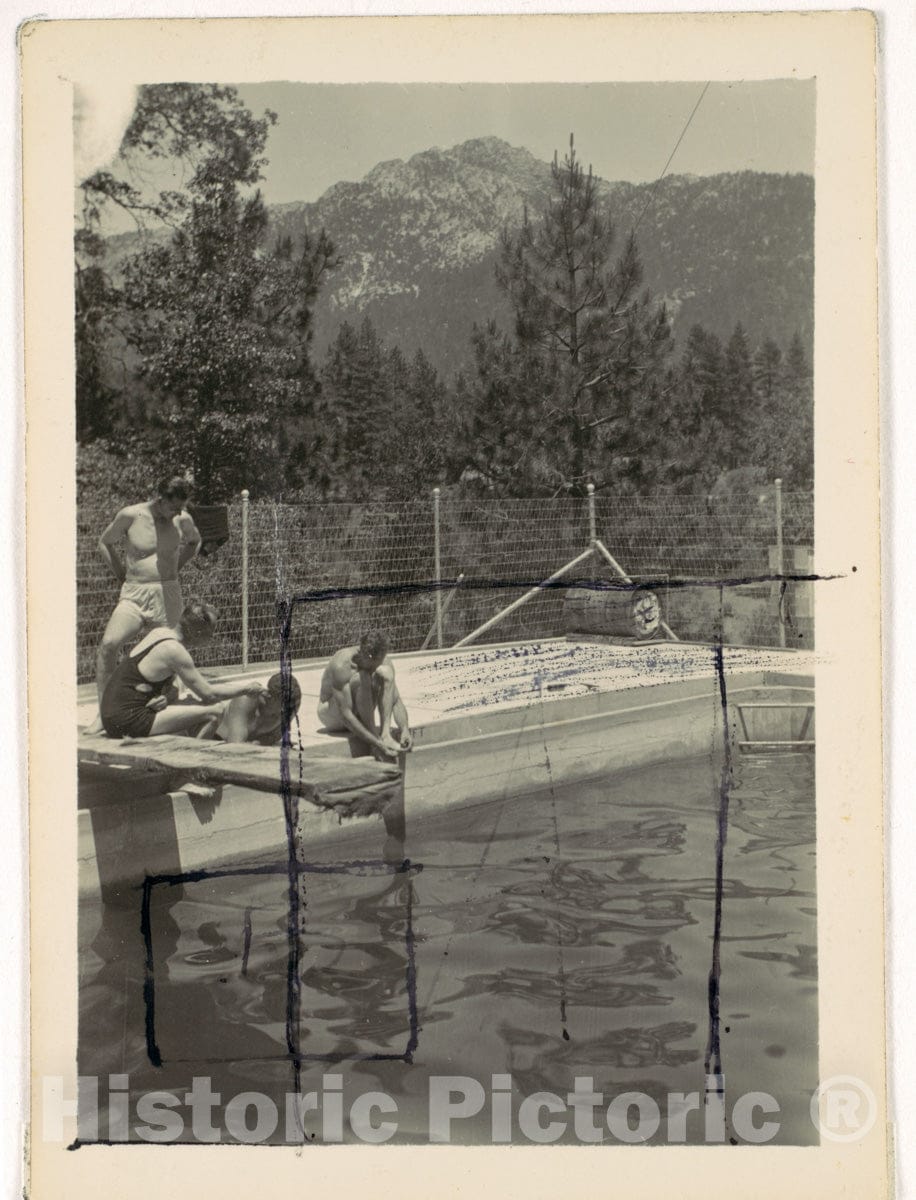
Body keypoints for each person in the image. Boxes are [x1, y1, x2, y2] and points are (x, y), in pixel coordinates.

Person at [85, 476, 202, 734]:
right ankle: (104, 715)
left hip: (167, 593)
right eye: (174, 506)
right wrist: (119, 573)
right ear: (160, 499)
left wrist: (176, 568)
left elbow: (195, 542)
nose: (179, 512)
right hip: (134, 593)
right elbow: (104, 542)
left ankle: (161, 707)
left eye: (183, 506)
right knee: (108, 645)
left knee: (171, 652)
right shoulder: (131, 515)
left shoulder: (182, 520)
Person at [98, 601, 266, 739]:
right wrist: (246, 688)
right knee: (215, 710)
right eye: (211, 632)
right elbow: (209, 694)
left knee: (191, 704)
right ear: (198, 631)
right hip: (126, 721)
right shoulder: (175, 651)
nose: (212, 637)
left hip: (113, 717)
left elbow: (171, 686)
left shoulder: (160, 633)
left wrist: (166, 697)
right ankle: (191, 771)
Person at [317, 631, 413, 760]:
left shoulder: (382, 661)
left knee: (385, 673)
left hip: (354, 711)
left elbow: (395, 700)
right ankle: (376, 737)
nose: (380, 663)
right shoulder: (342, 664)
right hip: (331, 714)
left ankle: (385, 735)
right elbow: (346, 716)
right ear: (368, 656)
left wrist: (405, 729)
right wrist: (376, 743)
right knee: (363, 677)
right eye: (377, 661)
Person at [209, 672, 303, 745]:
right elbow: (235, 747)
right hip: (213, 740)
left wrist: (258, 743)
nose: (288, 712)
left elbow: (273, 737)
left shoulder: (292, 705)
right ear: (268, 696)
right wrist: (259, 743)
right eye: (284, 706)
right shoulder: (246, 700)